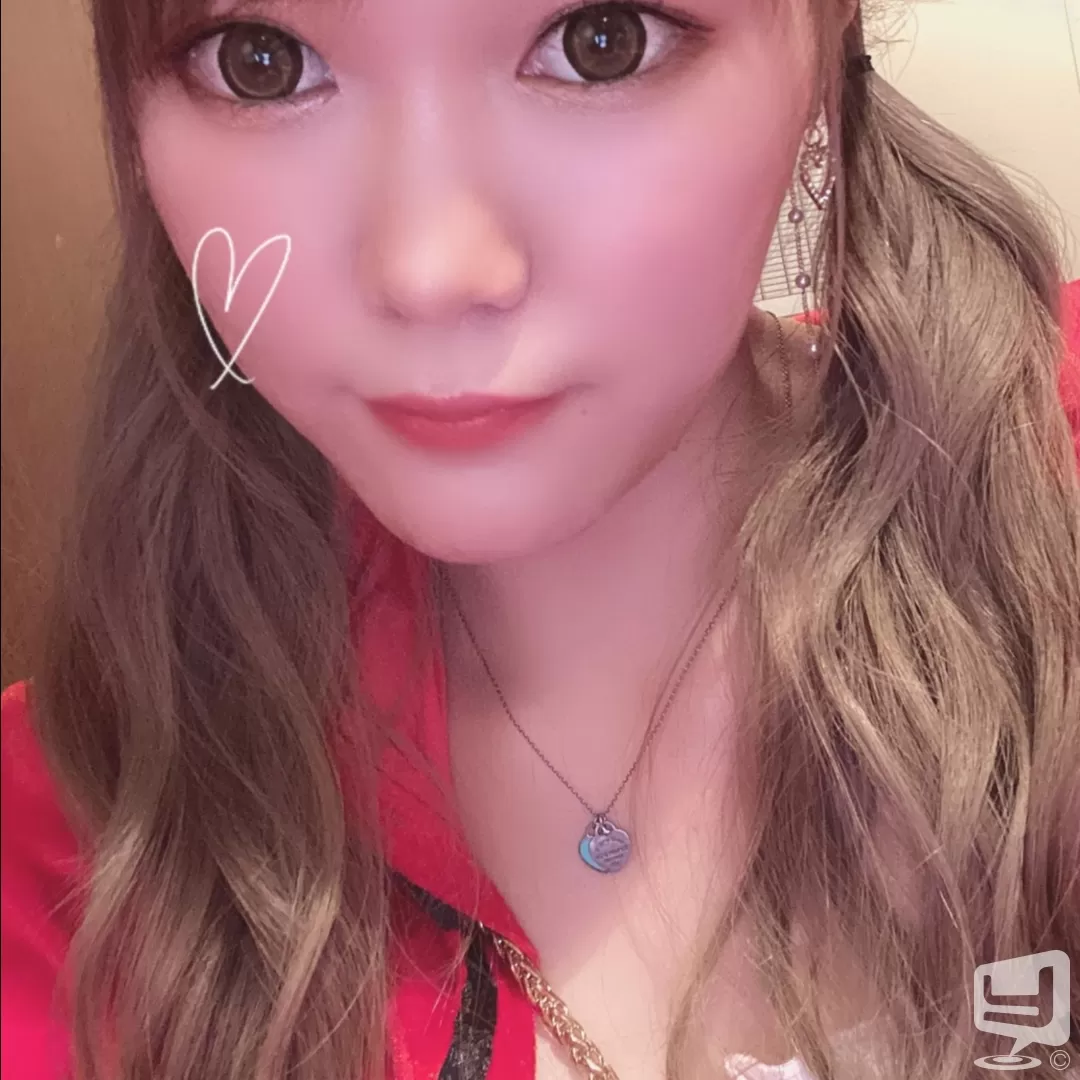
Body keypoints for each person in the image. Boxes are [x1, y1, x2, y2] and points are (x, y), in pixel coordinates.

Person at [2, 0, 1079, 1077]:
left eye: (602, 42)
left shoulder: (1054, 504)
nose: (430, 272)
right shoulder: (64, 839)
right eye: (263, 64)